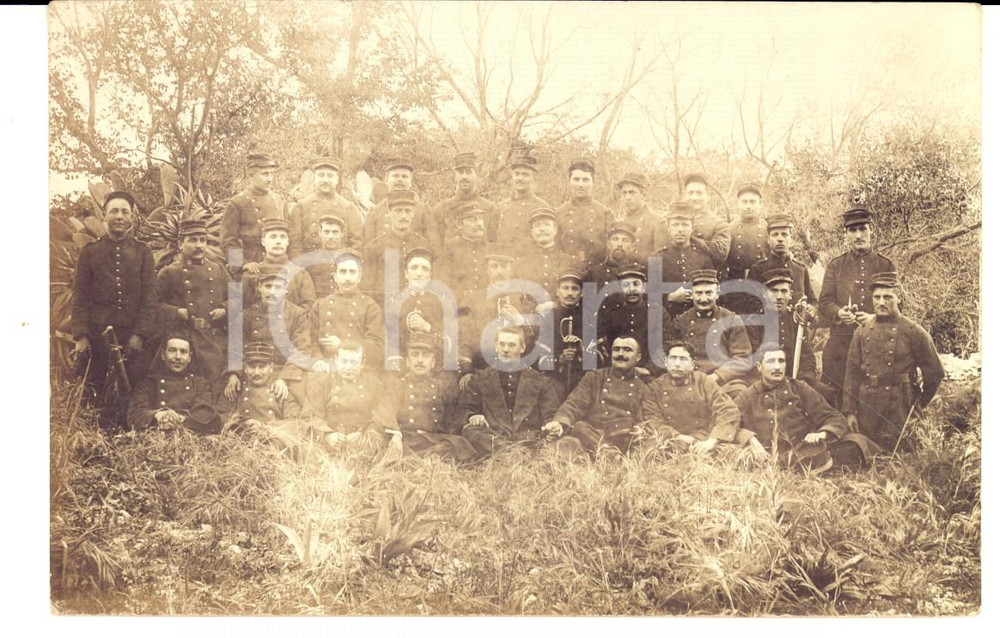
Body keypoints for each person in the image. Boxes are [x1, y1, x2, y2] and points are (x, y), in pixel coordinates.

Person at [71, 190, 157, 413]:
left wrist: (140, 334)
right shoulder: (90, 253)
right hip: (97, 335)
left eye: (124, 212)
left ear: (131, 218)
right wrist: (80, 336)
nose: (119, 216)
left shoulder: (143, 253)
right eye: (114, 211)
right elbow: (79, 297)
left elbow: (150, 298)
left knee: (131, 389)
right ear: (104, 216)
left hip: (131, 336)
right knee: (94, 390)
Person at [842, 272, 944, 452]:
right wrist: (850, 411)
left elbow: (935, 373)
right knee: (865, 454)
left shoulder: (914, 331)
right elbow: (852, 374)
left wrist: (919, 404)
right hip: (868, 405)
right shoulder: (862, 331)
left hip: (899, 406)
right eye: (877, 297)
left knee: (899, 455)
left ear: (899, 299)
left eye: (888, 297)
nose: (881, 302)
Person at [737, 343, 878, 472]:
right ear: (759, 367)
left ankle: (813, 464)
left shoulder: (798, 388)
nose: (777, 367)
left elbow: (833, 416)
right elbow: (730, 421)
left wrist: (822, 433)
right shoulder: (748, 396)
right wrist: (750, 438)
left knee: (854, 444)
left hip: (805, 449)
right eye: (771, 361)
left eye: (781, 361)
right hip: (768, 455)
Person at [818, 208, 897, 408]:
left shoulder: (885, 265)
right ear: (846, 235)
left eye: (863, 229)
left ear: (872, 231)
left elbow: (898, 304)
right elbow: (824, 302)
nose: (859, 235)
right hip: (843, 338)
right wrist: (839, 313)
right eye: (852, 230)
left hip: (877, 338)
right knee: (834, 383)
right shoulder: (835, 266)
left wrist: (874, 317)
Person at [456, 327, 561, 458]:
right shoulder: (480, 378)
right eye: (502, 344)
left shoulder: (540, 381)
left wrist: (550, 425)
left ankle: (506, 456)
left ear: (522, 348)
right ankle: (512, 455)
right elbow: (463, 410)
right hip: (493, 438)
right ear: (496, 346)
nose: (505, 350)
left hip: (528, 438)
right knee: (470, 431)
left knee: (553, 438)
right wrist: (473, 416)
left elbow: (551, 414)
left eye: (512, 345)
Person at [373, 332, 477, 462]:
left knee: (458, 444)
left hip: (434, 440)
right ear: (407, 361)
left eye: (426, 355)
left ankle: (420, 461)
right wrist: (396, 434)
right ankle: (424, 461)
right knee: (391, 445)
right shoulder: (398, 385)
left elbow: (455, 415)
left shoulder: (441, 387)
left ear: (433, 362)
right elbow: (386, 409)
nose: (420, 360)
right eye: (415, 355)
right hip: (407, 438)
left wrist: (469, 418)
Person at [542, 335, 653, 454]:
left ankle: (608, 453)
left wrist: (639, 429)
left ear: (638, 357)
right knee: (570, 436)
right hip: (592, 435)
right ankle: (608, 452)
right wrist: (559, 423)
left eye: (627, 350)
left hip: (626, 438)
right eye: (616, 349)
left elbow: (647, 418)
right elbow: (574, 404)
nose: (620, 354)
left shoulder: (643, 386)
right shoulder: (594, 378)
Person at [155, 219, 233, 384]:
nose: (199, 245)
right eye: (193, 240)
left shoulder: (218, 269)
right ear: (180, 244)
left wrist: (225, 309)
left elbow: (237, 298)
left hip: (214, 341)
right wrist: (176, 312)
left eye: (202, 240)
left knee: (214, 385)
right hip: (185, 341)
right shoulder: (169, 273)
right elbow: (153, 306)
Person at [222, 265, 312, 404]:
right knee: (230, 397)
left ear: (285, 289)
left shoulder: (297, 314)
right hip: (254, 371)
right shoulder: (247, 316)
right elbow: (235, 348)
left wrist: (284, 378)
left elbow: (301, 349)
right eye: (268, 286)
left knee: (297, 400)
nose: (272, 292)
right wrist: (234, 373)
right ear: (259, 287)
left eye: (277, 287)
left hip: (285, 369)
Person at [642, 341, 741, 453]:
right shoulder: (654, 388)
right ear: (666, 362)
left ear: (692, 365)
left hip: (703, 439)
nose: (677, 364)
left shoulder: (704, 382)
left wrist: (712, 441)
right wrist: (682, 438)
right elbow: (653, 420)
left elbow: (728, 411)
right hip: (671, 440)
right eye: (673, 358)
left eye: (683, 359)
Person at [668, 269, 753, 399]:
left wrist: (717, 376)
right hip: (689, 379)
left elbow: (743, 358)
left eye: (708, 293)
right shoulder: (682, 320)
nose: (703, 299)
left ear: (717, 294)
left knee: (739, 394)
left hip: (724, 382)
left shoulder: (731, 319)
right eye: (699, 293)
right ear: (692, 295)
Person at [457, 243, 540, 373]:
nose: (499, 271)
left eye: (504, 266)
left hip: (517, 367)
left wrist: (520, 321)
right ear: (487, 269)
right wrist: (467, 371)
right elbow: (464, 339)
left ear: (511, 269)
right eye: (494, 266)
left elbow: (534, 341)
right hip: (482, 367)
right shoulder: (472, 299)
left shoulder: (524, 299)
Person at [300, 338, 385, 454]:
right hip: (328, 445)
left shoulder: (374, 386)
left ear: (362, 364)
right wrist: (327, 435)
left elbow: (380, 418)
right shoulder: (322, 384)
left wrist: (363, 435)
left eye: (354, 362)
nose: (348, 367)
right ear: (336, 360)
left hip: (363, 445)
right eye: (344, 361)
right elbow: (310, 416)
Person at [127, 330, 220, 434]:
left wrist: (181, 419)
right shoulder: (149, 384)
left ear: (189, 358)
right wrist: (157, 415)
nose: (178, 357)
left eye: (183, 352)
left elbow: (206, 412)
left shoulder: (199, 384)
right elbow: (135, 413)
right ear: (163, 354)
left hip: (189, 438)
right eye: (172, 350)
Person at [309, 248, 384, 371]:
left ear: (359, 277)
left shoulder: (370, 307)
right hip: (326, 368)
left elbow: (377, 349)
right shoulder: (320, 305)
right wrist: (318, 360)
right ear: (335, 276)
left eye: (352, 272)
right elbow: (310, 342)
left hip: (358, 369)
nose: (347, 278)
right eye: (343, 272)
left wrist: (342, 345)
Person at [596, 263, 670, 373]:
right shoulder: (611, 313)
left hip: (647, 371)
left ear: (644, 287)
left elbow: (666, 344)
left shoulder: (658, 312)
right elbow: (603, 345)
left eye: (636, 284)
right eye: (626, 285)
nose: (631, 289)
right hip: (616, 370)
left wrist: (649, 369)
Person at [216, 342, 302, 431]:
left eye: (262, 367)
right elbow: (220, 416)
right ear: (245, 368)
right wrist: (242, 424)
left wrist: (266, 427)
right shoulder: (236, 389)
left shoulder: (279, 391)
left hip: (273, 439)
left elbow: (294, 421)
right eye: (252, 367)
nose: (257, 372)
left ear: (271, 368)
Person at [220, 153, 285, 269]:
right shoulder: (237, 203)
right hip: (249, 265)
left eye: (272, 174)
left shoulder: (279, 200)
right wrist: (242, 264)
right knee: (236, 287)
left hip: (275, 264)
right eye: (265, 174)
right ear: (251, 175)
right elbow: (228, 240)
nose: (270, 179)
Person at [363, 189, 430, 302]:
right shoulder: (375, 247)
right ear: (389, 212)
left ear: (413, 213)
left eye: (407, 211)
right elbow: (368, 289)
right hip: (385, 310)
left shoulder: (424, 245)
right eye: (398, 211)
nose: (403, 216)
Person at [288, 157, 363, 257]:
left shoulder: (350, 208)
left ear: (337, 179)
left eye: (330, 176)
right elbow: (295, 246)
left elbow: (356, 245)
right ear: (314, 178)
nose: (325, 180)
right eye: (321, 175)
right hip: (309, 267)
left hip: (340, 267)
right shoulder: (300, 207)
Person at [241, 217, 317, 312]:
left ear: (287, 242)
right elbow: (244, 306)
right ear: (263, 241)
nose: (278, 241)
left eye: (282, 237)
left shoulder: (300, 274)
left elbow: (309, 304)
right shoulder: (253, 272)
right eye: (273, 237)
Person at [746, 214, 817, 314]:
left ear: (790, 239)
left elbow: (812, 301)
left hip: (796, 328)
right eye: (775, 235)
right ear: (768, 240)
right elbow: (751, 306)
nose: (780, 239)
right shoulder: (758, 269)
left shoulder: (801, 270)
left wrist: (812, 308)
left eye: (784, 234)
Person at [653, 201, 714, 317]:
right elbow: (647, 295)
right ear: (668, 228)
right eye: (675, 225)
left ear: (692, 228)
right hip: (666, 318)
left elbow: (713, 291)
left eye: (685, 225)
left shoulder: (703, 258)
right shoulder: (656, 258)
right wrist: (670, 297)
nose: (680, 229)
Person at [361, 157, 436, 247]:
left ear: (410, 182)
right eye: (395, 176)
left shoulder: (424, 210)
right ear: (386, 180)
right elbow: (368, 246)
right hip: (388, 258)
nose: (400, 180)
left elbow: (433, 244)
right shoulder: (374, 212)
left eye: (404, 176)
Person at [537, 268, 588, 398]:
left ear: (581, 293)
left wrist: (580, 351)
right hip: (553, 380)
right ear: (558, 292)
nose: (569, 293)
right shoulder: (547, 318)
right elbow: (537, 357)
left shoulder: (591, 318)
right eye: (565, 288)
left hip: (584, 381)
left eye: (574, 289)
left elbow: (602, 356)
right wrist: (559, 359)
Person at [555, 157, 610, 268]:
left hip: (595, 275)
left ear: (593, 182)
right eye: (576, 179)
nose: (580, 185)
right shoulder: (558, 213)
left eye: (585, 180)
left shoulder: (605, 213)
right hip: (567, 275)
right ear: (569, 181)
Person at [433, 152, 496, 248]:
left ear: (477, 175)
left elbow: (493, 246)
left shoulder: (490, 209)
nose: (464, 177)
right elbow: (437, 248)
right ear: (455, 176)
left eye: (469, 172)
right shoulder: (440, 210)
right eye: (460, 173)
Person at [493, 151, 550, 249]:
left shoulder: (542, 207)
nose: (520, 178)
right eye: (517, 174)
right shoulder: (500, 206)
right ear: (512, 177)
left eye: (525, 175)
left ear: (533, 178)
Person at [518, 207, 574, 298]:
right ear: (531, 232)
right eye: (537, 225)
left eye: (546, 225)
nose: (542, 229)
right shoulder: (520, 264)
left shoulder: (569, 262)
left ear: (555, 230)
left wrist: (556, 306)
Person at [678, 173, 730, 269]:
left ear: (707, 196)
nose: (694, 198)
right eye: (690, 193)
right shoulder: (674, 221)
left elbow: (721, 253)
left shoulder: (719, 224)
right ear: (684, 195)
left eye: (699, 193)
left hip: (705, 278)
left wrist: (690, 239)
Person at [441, 201, 490, 302]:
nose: (479, 224)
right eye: (473, 219)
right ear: (459, 224)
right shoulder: (450, 251)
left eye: (481, 219)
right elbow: (444, 284)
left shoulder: (489, 249)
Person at [722, 183, 769, 281]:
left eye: (752, 202)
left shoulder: (768, 228)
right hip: (735, 281)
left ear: (760, 204)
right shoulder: (729, 229)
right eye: (744, 202)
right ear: (738, 204)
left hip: (763, 280)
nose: (748, 206)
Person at [586, 221, 643, 291]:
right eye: (615, 239)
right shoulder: (593, 274)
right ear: (608, 244)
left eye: (625, 240)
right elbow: (588, 301)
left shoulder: (640, 273)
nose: (619, 244)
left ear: (632, 247)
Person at [613, 172, 659, 256]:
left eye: (632, 193)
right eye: (624, 193)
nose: (627, 198)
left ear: (643, 195)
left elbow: (658, 258)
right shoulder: (619, 222)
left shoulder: (657, 222)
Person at [305, 213, 347, 298]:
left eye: (335, 232)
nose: (330, 236)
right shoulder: (310, 260)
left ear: (342, 233)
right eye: (327, 232)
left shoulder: (348, 259)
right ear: (320, 233)